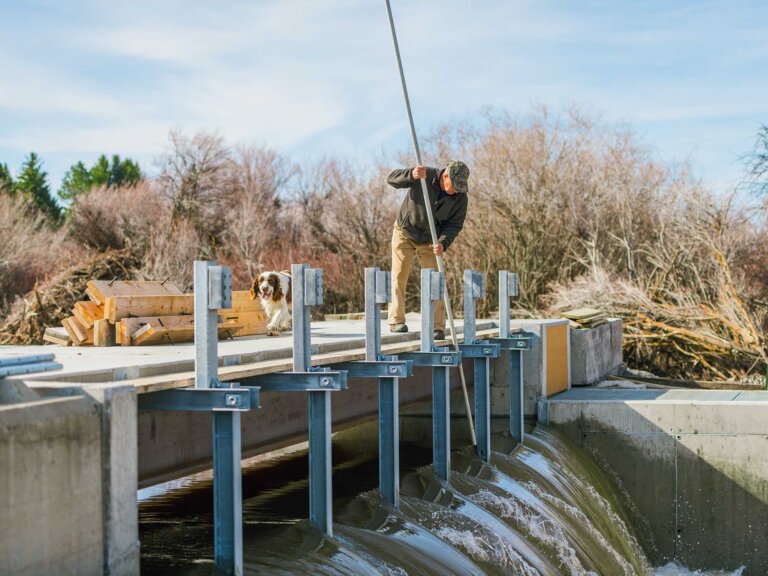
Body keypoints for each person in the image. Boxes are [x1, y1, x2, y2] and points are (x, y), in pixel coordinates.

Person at [386, 159, 470, 340]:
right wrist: (410, 174)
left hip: (431, 241)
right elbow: (391, 179)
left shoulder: (461, 198)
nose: (456, 190)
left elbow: (454, 225)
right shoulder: (425, 176)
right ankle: (396, 320)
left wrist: (443, 243)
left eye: (460, 187)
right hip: (405, 231)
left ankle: (437, 327)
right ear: (445, 176)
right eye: (454, 185)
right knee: (399, 274)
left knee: (436, 280)